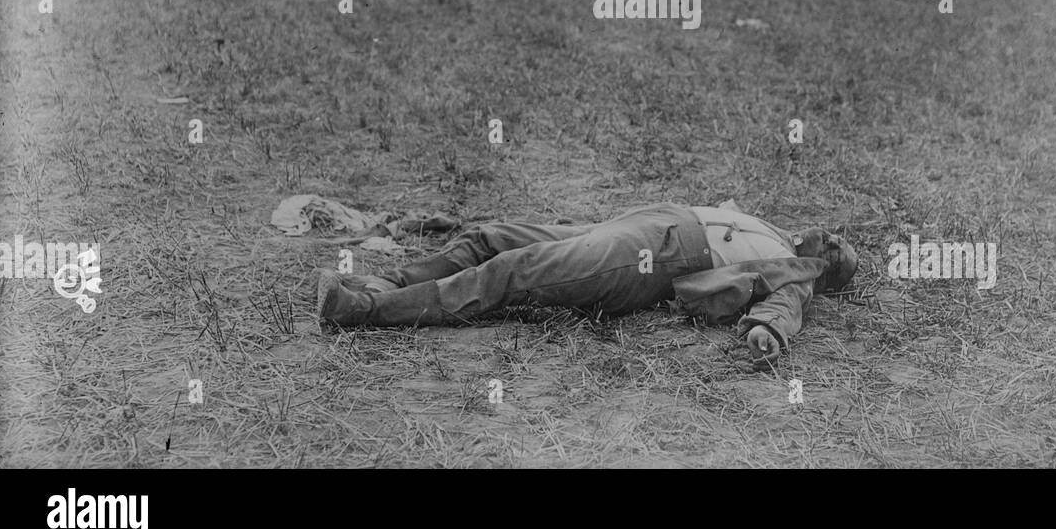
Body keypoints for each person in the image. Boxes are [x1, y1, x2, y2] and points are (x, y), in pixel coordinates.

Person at [317, 201, 858, 361]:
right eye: (834, 234)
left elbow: (785, 306)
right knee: (492, 236)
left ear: (825, 271)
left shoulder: (797, 272)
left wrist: (769, 332)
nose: (827, 237)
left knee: (512, 273)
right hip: (627, 226)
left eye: (834, 250)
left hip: (649, 255)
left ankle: (360, 310)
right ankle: (385, 283)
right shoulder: (774, 229)